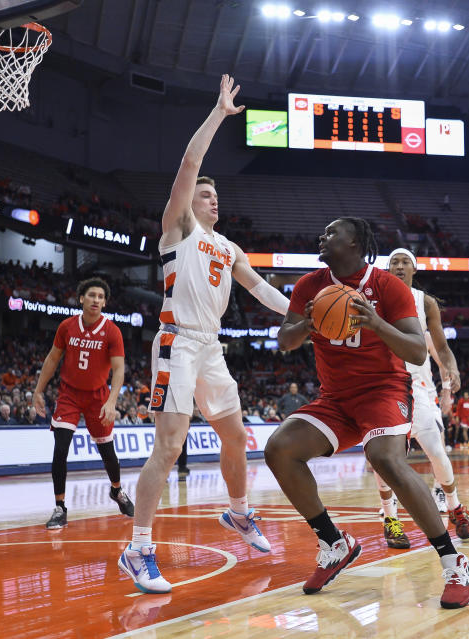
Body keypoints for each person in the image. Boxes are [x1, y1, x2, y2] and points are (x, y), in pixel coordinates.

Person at [119, 75, 291, 595]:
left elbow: (261, 291)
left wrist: (304, 315)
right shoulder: (179, 228)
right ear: (188, 202)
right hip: (177, 341)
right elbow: (189, 164)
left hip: (210, 347)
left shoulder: (230, 246)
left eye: (217, 195)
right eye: (206, 195)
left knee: (236, 437)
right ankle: (139, 548)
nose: (213, 200)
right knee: (168, 448)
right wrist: (219, 113)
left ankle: (238, 513)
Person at [265, 218, 469, 608]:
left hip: (384, 391)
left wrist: (376, 323)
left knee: (384, 458)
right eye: (322, 231)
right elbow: (284, 341)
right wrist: (307, 323)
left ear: (354, 242)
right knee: (279, 448)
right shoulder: (311, 285)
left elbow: (416, 350)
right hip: (336, 399)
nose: (322, 237)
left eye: (331, 233)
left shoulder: (386, 286)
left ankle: (454, 561)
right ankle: (334, 542)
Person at [372, 248, 469, 548]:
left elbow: (441, 347)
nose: (400, 266)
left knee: (437, 453)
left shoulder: (424, 301)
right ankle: (390, 520)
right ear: (387, 269)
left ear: (415, 269)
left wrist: (452, 369)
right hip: (383, 386)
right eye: (394, 262)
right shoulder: (374, 298)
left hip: (417, 387)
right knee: (384, 458)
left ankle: (455, 506)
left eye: (405, 262)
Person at [32, 278, 133, 530]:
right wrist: (38, 391)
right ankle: (60, 507)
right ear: (81, 298)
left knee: (107, 452)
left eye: (101, 297)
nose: (96, 300)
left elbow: (119, 370)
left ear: (104, 302)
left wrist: (112, 401)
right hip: (69, 394)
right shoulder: (66, 327)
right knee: (61, 448)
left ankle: (117, 491)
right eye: (92, 295)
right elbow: (52, 359)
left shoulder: (112, 331)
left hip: (98, 396)